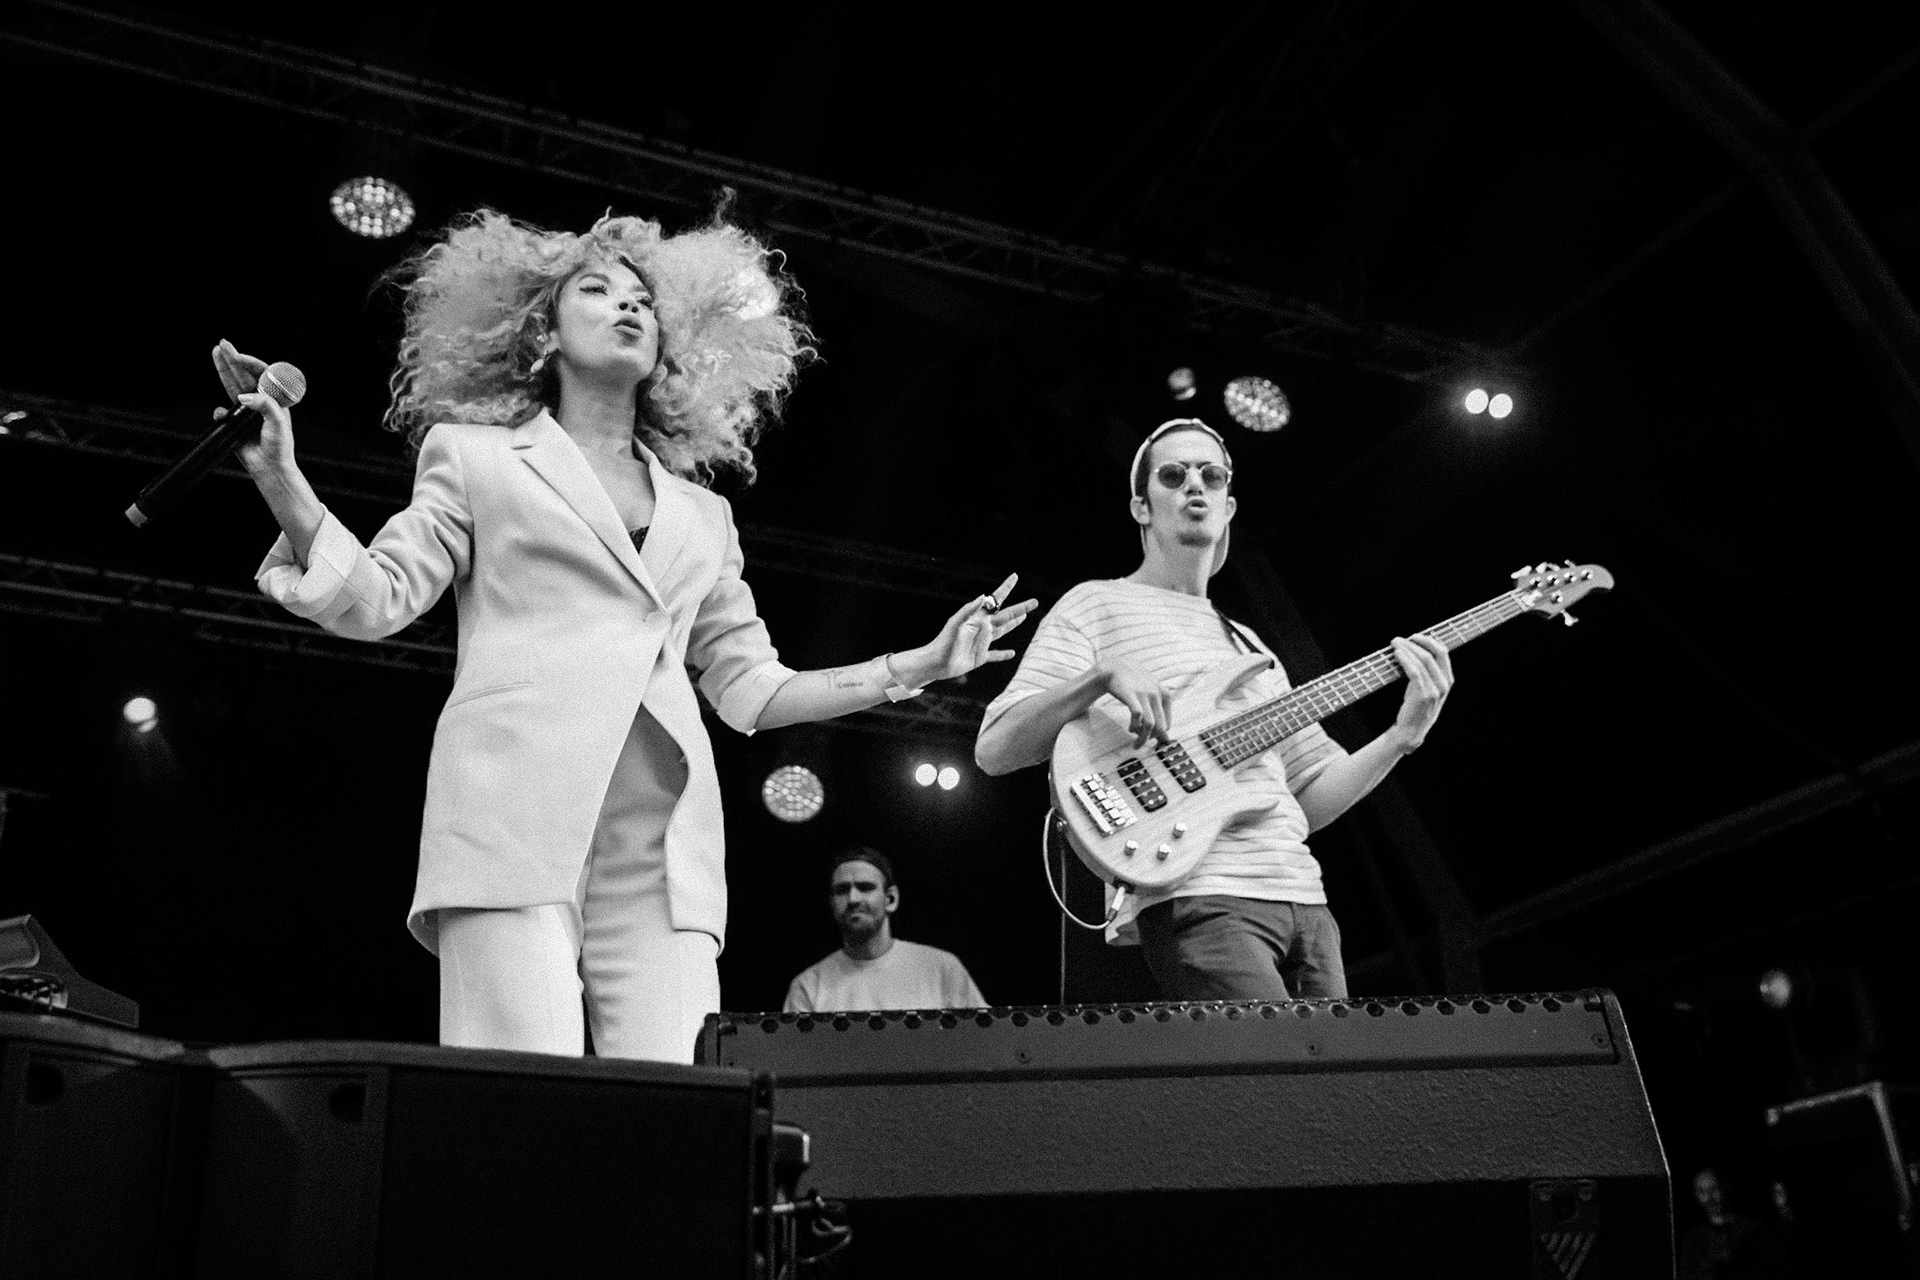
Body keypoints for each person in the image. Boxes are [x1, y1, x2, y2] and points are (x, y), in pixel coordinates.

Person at [220, 205, 1034, 1062]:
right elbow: (378, 598)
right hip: (508, 820)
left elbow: (752, 690)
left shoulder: (704, 516)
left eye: (643, 300)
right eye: (598, 290)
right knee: (514, 1100)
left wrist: (916, 665)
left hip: (663, 857)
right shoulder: (476, 458)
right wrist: (283, 479)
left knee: (674, 1110)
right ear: (543, 333)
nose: (628, 307)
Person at [973, 417, 1451, 1001]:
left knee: (1334, 1087)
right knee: (1278, 1075)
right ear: (1141, 507)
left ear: (1228, 506)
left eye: (1211, 475)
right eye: (1172, 475)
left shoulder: (1253, 648)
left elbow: (1307, 795)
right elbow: (995, 748)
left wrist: (1402, 737)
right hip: (1200, 894)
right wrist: (1101, 677)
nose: (1194, 485)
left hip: (1305, 898)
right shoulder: (1098, 603)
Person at [783, 848, 985, 1012]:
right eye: (842, 890)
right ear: (831, 903)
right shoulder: (809, 986)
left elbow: (984, 1045)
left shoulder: (942, 969)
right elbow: (793, 1060)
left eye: (865, 887)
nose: (853, 899)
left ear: (891, 899)